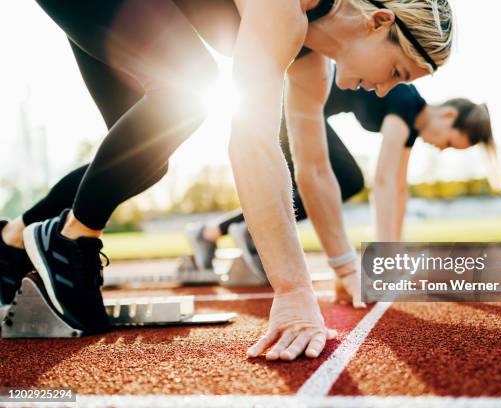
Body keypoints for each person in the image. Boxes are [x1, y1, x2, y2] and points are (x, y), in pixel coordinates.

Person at [1, 0, 454, 361]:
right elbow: (252, 140)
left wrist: (344, 267)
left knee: (142, 158)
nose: (385, 90)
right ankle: (70, 241)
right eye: (397, 72)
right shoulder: (286, 9)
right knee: (186, 91)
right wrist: (294, 292)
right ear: (379, 21)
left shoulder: (311, 65)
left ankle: (10, 240)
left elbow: (313, 170)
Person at [187, 80, 501, 302]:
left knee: (344, 179)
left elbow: (399, 190)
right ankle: (234, 229)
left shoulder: (409, 123)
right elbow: (384, 181)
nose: (440, 149)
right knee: (343, 177)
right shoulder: (405, 101)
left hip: (304, 107)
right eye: (447, 143)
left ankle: (214, 230)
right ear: (447, 115)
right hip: (291, 99)